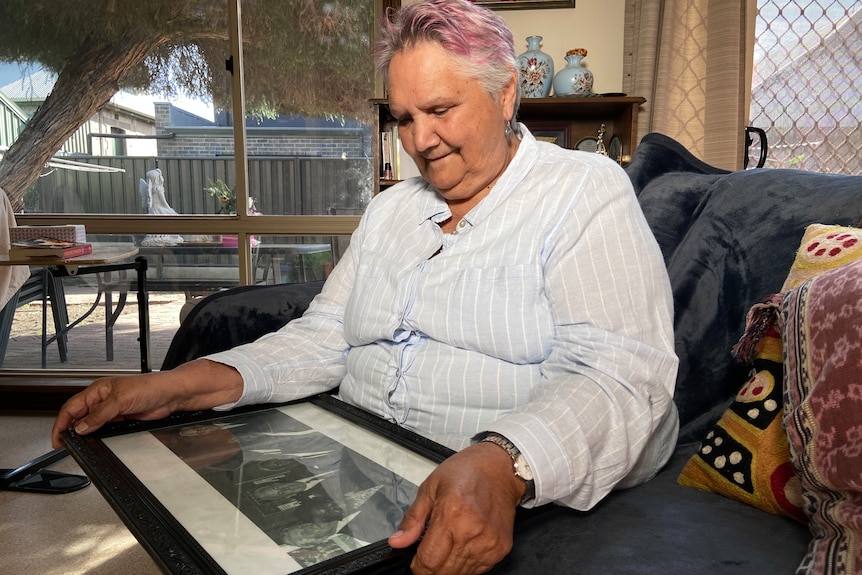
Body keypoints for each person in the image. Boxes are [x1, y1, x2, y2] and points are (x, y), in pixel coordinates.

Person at [52, 1, 679, 573]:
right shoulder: (391, 211)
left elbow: (618, 374)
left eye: (440, 110)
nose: (419, 141)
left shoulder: (583, 191)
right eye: (404, 117)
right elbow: (326, 335)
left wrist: (504, 462)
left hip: (486, 476)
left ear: (507, 92)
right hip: (356, 458)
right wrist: (176, 386)